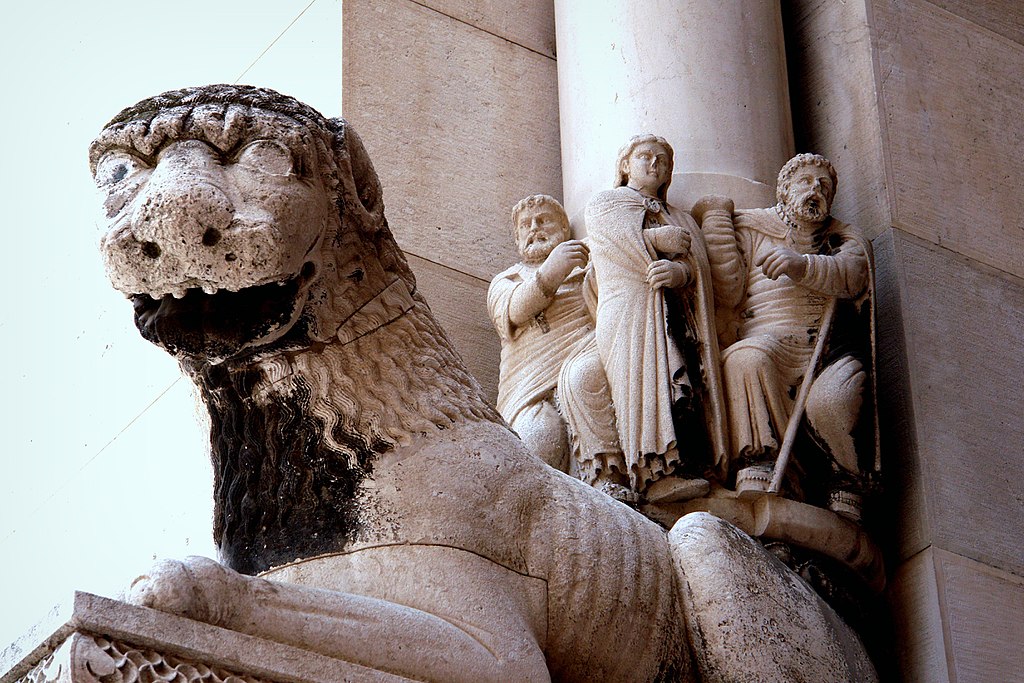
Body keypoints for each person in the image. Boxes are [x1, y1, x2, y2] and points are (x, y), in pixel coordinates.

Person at [695, 153, 875, 517]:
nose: (816, 189)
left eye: (824, 186)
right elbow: (726, 290)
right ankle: (759, 456)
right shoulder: (753, 228)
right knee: (746, 358)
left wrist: (801, 264)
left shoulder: (841, 238)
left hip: (823, 352)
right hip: (768, 338)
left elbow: (852, 275)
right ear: (783, 189)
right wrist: (715, 225)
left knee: (833, 399)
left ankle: (845, 478)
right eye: (806, 181)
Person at [584, 135, 727, 502]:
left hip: (673, 313)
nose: (654, 164)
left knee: (680, 383)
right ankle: (650, 472)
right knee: (640, 383)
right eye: (645, 156)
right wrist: (659, 239)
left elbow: (697, 269)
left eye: (662, 160)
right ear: (625, 164)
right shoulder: (606, 203)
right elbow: (612, 244)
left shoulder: (679, 217)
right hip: (627, 309)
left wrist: (680, 274)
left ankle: (684, 463)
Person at [487, 195, 595, 471]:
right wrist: (552, 271)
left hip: (581, 368)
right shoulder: (507, 280)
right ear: (517, 237)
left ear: (564, 230)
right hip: (527, 387)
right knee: (540, 438)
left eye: (543, 220)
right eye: (526, 225)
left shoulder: (587, 271)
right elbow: (514, 311)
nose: (534, 228)